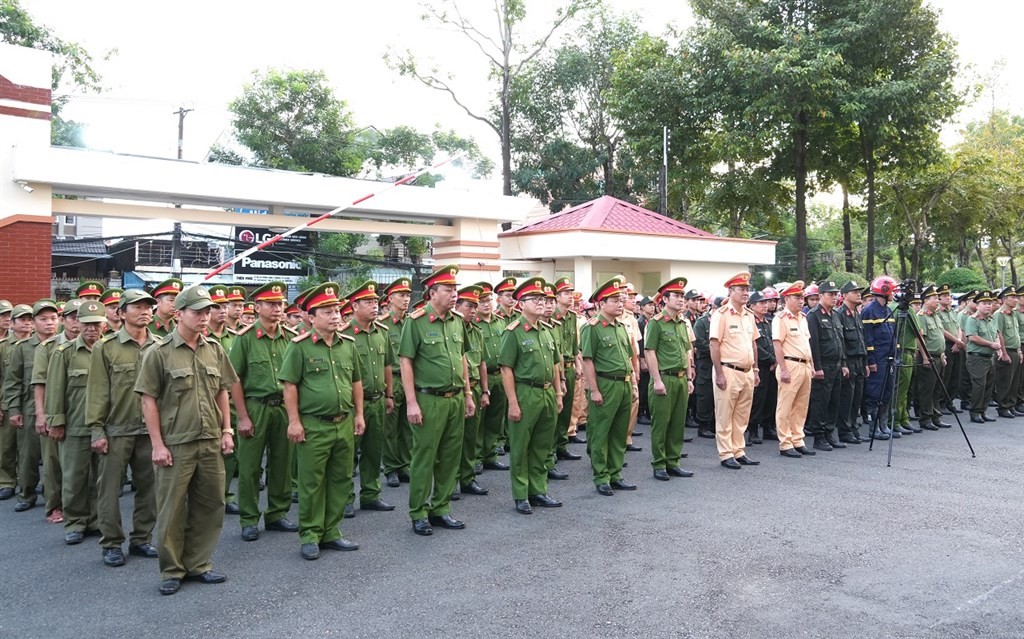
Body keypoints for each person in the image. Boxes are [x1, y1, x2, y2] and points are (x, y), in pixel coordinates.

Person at [135, 285, 238, 595]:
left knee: (211, 504)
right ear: (179, 314)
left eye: (207, 311)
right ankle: (172, 569)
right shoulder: (159, 352)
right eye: (198, 312)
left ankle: (199, 564)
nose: (205, 317)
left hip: (209, 440)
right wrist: (157, 444)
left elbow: (223, 390)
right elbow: (148, 400)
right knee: (171, 509)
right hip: (175, 442)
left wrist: (227, 430)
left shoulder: (215, 349)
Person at [279, 282, 364, 560]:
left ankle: (332, 531)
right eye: (327, 311)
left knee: (340, 479)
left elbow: (356, 382)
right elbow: (289, 385)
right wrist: (294, 421)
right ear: (311, 318)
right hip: (313, 424)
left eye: (337, 310)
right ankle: (311, 534)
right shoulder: (300, 347)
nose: (335, 315)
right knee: (312, 482)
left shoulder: (348, 345)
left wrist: (360, 414)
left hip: (344, 421)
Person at [398, 265, 475, 536]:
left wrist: (467, 394)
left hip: (454, 398)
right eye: (448, 290)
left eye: (455, 290)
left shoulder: (457, 321)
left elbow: (462, 358)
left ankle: (441, 508)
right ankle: (418, 512)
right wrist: (411, 402)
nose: (454, 295)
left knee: (450, 456)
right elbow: (406, 361)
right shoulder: (416, 321)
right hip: (428, 398)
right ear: (432, 293)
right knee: (424, 457)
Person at [86, 289, 160, 568]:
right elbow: (97, 392)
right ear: (121, 313)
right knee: (108, 490)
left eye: (148, 307)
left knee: (149, 488)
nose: (145, 311)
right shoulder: (106, 348)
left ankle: (142, 539)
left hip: (150, 432)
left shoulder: (160, 345)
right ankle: (112, 543)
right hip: (116, 429)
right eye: (137, 306)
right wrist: (96, 429)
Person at [229, 281, 299, 542]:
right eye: (271, 304)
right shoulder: (245, 338)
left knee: (282, 464)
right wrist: (243, 416)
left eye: (280, 303)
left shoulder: (291, 338)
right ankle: (249, 518)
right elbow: (234, 378)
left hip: (282, 408)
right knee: (249, 467)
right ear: (257, 307)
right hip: (256, 407)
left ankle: (277, 514)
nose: (277, 308)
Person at [498, 277, 562, 513]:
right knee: (521, 445)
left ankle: (538, 490)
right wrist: (513, 403)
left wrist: (558, 395)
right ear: (520, 303)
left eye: (542, 299)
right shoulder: (513, 332)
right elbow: (506, 368)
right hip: (525, 392)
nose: (540, 303)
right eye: (534, 299)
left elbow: (555, 364)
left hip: (546, 392)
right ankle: (521, 493)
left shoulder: (547, 330)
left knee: (542, 445)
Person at [45, 300, 106, 544]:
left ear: (104, 325)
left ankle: (95, 520)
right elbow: (55, 389)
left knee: (99, 478)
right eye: (86, 324)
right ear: (76, 323)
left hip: (102, 426)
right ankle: (75, 522)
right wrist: (56, 422)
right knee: (74, 478)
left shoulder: (108, 349)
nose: (91, 329)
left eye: (96, 324)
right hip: (75, 425)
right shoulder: (65, 353)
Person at [341, 280, 396, 514]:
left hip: (376, 400)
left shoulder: (381, 332)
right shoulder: (343, 334)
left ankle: (371, 494)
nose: (375, 306)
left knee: (374, 451)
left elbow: (387, 366)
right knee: (348, 454)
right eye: (368, 302)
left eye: (376, 302)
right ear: (355, 306)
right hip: (354, 405)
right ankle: (344, 498)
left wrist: (389, 395)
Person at [580, 277, 638, 496]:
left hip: (623, 384)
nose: (620, 303)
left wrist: (632, 384)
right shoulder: (592, 328)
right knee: (600, 432)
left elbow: (627, 358)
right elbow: (588, 361)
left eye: (620, 299)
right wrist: (594, 389)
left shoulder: (621, 327)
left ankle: (615, 474)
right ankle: (601, 476)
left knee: (618, 432)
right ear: (601, 304)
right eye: (613, 300)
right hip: (605, 384)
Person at [3, 299, 60, 513]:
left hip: (57, 406)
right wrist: (14, 410)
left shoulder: (63, 345)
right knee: (28, 454)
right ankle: (26, 494)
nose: (49, 323)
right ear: (34, 322)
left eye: (53, 319)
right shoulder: (23, 348)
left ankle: (53, 495)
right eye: (43, 319)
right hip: (28, 406)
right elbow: (13, 381)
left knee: (53, 456)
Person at [33, 299, 83, 523]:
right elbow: (40, 383)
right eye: (72, 317)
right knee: (53, 462)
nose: (77, 322)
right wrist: (42, 415)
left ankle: (83, 507)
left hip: (82, 412)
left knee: (83, 465)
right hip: (55, 412)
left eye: (80, 317)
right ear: (63, 320)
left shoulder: (97, 344)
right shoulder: (49, 347)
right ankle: (54, 505)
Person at [644, 277, 695, 480]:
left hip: (681, 378)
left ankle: (673, 461)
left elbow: (686, 351)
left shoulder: (683, 323)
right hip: (664, 377)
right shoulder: (657, 323)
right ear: (665, 299)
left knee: (677, 423)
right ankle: (659, 464)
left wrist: (690, 378)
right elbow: (650, 352)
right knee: (661, 423)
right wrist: (656, 379)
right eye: (676, 296)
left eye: (682, 296)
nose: (681, 299)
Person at [710, 273, 761, 470]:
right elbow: (714, 345)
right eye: (741, 289)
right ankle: (725, 453)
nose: (746, 293)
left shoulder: (749, 315)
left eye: (747, 289)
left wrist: (755, 369)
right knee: (725, 415)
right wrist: (719, 373)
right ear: (730, 291)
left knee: (742, 415)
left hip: (747, 371)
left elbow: (753, 344)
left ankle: (738, 450)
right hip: (728, 370)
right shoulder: (721, 314)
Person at [771, 281, 816, 458]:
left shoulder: (803, 318)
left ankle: (798, 439)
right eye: (797, 297)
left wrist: (811, 365)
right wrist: (782, 369)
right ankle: (785, 442)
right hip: (789, 364)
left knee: (801, 406)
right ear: (787, 298)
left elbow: (807, 344)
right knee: (786, 405)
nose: (801, 301)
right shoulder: (780, 319)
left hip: (804, 364)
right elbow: (777, 345)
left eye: (802, 297)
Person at [453, 285, 490, 498]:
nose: (474, 310)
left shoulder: (477, 332)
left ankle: (467, 478)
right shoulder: (452, 328)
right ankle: (449, 484)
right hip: (457, 391)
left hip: (475, 388)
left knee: (470, 438)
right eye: (469, 306)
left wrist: (485, 391)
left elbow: (482, 362)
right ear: (458, 306)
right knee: (452, 441)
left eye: (476, 306)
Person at [205, 285, 239, 514]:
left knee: (229, 453)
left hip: (229, 403)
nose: (223, 311)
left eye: (225, 306)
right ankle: (206, 497)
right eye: (217, 307)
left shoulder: (235, 337)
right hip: (204, 404)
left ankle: (224, 494)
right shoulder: (201, 337)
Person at [474, 281, 511, 474]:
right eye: (481, 301)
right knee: (480, 420)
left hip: (500, 375)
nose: (486, 304)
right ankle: (477, 456)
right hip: (483, 376)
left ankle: (490, 454)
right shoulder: (473, 324)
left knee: (497, 418)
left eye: (488, 300)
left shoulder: (501, 322)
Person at [806, 281, 847, 451]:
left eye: (836, 294)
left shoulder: (836, 315)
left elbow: (840, 340)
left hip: (836, 365)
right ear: (821, 295)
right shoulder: (813, 315)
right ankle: (819, 436)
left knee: (833, 402)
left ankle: (830, 433)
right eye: (830, 294)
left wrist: (844, 363)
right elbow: (813, 343)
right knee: (820, 402)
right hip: (824, 365)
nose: (834, 297)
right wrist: (817, 366)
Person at [380, 277, 414, 487]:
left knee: (408, 426)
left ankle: (405, 465)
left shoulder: (412, 322)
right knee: (390, 428)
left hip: (409, 380)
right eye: (401, 295)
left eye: (408, 295)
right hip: (392, 379)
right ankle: (391, 467)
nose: (406, 299)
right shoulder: (382, 326)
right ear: (390, 299)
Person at [862, 277, 899, 440]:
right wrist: (871, 361)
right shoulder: (870, 310)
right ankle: (873, 428)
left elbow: (892, 334)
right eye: (892, 290)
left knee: (887, 392)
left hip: (888, 358)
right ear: (884, 291)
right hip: (877, 359)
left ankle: (883, 426)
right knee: (875, 394)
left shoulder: (887, 310)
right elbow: (867, 339)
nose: (894, 294)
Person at [552, 277, 582, 464]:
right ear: (556, 297)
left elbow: (574, 345)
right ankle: (552, 447)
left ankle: (562, 445)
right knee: (557, 408)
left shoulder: (572, 316)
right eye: (565, 293)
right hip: (557, 368)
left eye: (571, 293)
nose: (570, 297)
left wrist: (578, 365)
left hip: (570, 366)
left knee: (567, 409)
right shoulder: (551, 317)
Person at [836, 281, 869, 444]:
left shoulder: (856, 313)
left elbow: (862, 339)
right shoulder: (840, 314)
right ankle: (844, 430)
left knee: (857, 397)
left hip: (859, 360)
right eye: (854, 291)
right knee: (847, 398)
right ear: (845, 295)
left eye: (859, 291)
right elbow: (840, 341)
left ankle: (853, 427)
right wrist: (843, 364)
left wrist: (866, 362)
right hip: (848, 359)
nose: (858, 294)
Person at [746, 290, 776, 446]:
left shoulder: (768, 322)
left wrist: (776, 360)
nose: (766, 305)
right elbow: (755, 345)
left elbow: (773, 343)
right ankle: (753, 430)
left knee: (771, 398)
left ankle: (768, 427)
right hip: (760, 366)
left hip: (772, 366)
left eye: (766, 302)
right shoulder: (750, 322)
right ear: (752, 306)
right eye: (762, 303)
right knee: (757, 400)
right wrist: (772, 359)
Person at [0, 299, 20, 501]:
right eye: (3, 315)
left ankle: (24, 479)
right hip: (5, 401)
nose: (6, 319)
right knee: (6, 446)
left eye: (8, 315)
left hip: (23, 401)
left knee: (25, 447)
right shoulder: (3, 346)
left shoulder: (18, 343)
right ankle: (6, 480)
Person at [620, 284, 643, 452]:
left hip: (629, 365)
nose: (626, 298)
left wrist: (637, 368)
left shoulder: (631, 319)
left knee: (633, 403)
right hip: (611, 371)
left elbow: (635, 348)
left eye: (625, 294)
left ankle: (626, 437)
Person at [935, 284, 965, 415]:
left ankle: (949, 401)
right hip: (947, 345)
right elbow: (941, 330)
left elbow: (958, 327)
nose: (948, 298)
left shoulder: (952, 311)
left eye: (949, 295)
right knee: (945, 376)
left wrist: (958, 341)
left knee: (955, 376)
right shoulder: (938, 312)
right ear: (939, 298)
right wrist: (956, 341)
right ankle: (941, 402)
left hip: (956, 345)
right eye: (945, 296)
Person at [993, 287, 1021, 418]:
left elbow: (1016, 334)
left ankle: (1011, 404)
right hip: (1007, 350)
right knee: (1005, 380)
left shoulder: (1013, 313)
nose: (1016, 300)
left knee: (1015, 381)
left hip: (1015, 350)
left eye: (1016, 297)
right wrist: (1003, 353)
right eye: (1012, 297)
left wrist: (1019, 350)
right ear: (1004, 299)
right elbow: (999, 334)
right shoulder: (1000, 314)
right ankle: (1003, 407)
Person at [692, 296, 716, 440]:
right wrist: (716, 349)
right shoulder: (702, 323)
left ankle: (713, 424)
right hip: (706, 362)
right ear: (713, 308)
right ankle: (703, 425)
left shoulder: (723, 322)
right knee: (705, 394)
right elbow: (699, 342)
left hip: (719, 362)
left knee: (716, 396)